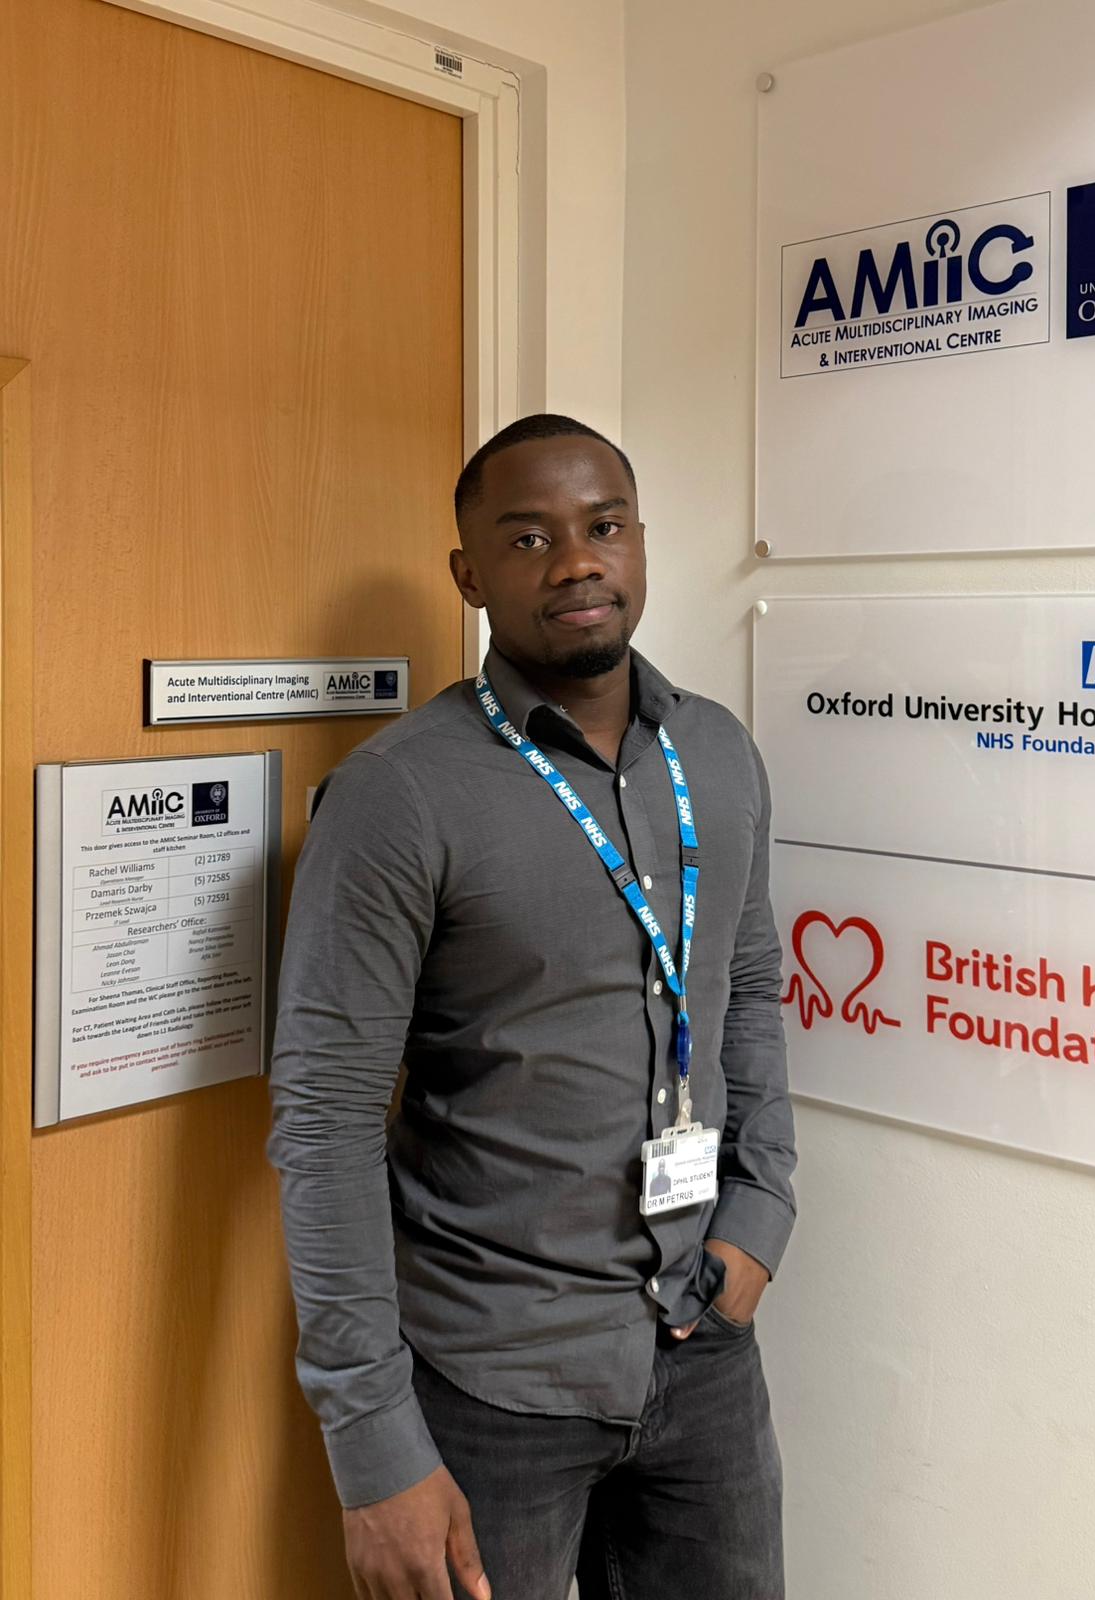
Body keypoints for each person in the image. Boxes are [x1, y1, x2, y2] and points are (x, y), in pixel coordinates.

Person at [268, 413, 797, 1600]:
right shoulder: (399, 796)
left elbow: (747, 988)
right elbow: (325, 1119)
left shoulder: (716, 753)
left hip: (702, 1343)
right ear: (470, 575)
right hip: (487, 1379)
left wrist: (761, 1207)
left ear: (641, 541)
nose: (575, 561)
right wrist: (372, 1445)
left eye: (602, 526)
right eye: (528, 538)